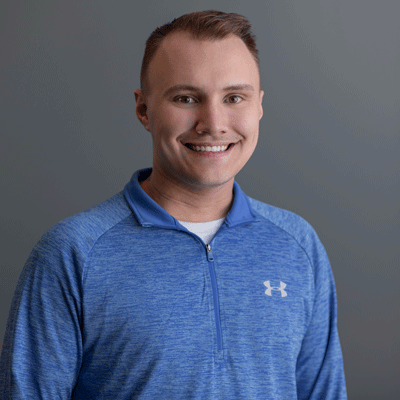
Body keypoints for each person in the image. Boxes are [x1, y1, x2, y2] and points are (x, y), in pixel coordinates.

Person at [0, 10, 348, 399]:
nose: (213, 123)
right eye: (186, 98)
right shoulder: (73, 253)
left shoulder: (297, 245)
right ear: (144, 109)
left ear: (259, 106)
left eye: (234, 97)